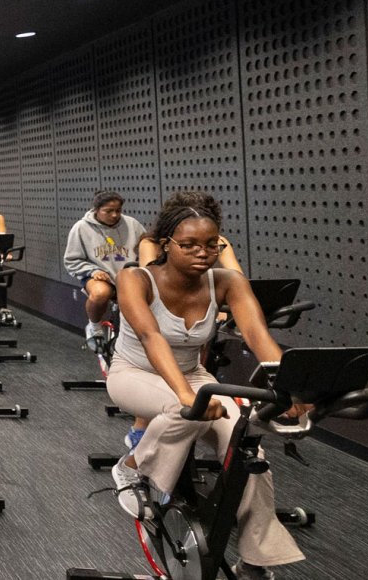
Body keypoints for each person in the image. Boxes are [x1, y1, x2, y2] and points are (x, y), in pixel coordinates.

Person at [105, 204, 305, 580]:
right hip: (134, 372)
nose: (202, 253)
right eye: (190, 245)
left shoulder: (227, 281)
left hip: (193, 374)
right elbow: (150, 337)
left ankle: (255, 561)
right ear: (166, 244)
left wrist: (288, 387)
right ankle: (131, 469)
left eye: (211, 245)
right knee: (184, 410)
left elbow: (258, 336)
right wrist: (186, 396)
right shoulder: (136, 279)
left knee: (247, 450)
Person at [119, 190, 247, 454]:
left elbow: (235, 274)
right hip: (156, 325)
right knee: (181, 399)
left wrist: (228, 298)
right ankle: (141, 434)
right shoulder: (150, 243)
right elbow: (154, 283)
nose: (201, 248)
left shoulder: (216, 242)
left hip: (192, 319)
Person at [63, 191, 146, 345]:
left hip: (128, 275)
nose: (114, 215)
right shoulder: (81, 228)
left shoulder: (132, 224)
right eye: (108, 211)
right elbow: (71, 260)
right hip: (99, 275)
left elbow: (146, 248)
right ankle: (94, 326)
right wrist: (93, 271)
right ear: (96, 210)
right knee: (100, 293)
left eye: (118, 211)